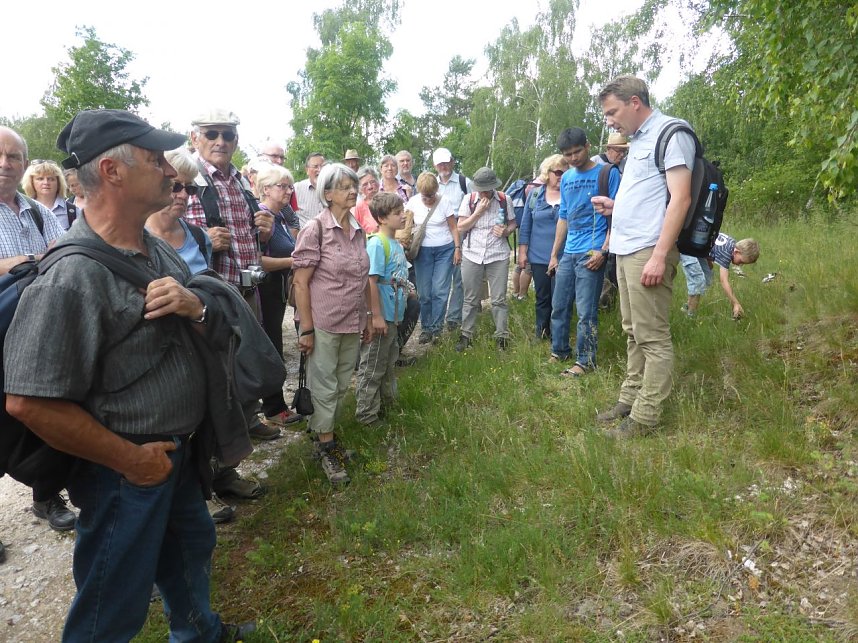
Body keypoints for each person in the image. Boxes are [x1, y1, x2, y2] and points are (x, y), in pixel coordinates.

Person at [4, 109, 254, 642]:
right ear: (113, 172)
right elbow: (30, 403)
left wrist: (196, 305)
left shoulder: (156, 248)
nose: (170, 171)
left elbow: (206, 316)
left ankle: (200, 634)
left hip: (175, 456)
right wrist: (132, 463)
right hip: (124, 471)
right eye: (155, 159)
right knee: (111, 602)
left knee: (190, 548)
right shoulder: (71, 277)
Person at [591, 75, 696, 437]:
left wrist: (660, 255)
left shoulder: (672, 132)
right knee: (632, 331)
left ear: (635, 102)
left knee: (652, 336)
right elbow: (651, 196)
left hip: (649, 249)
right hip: (626, 247)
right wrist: (615, 205)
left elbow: (680, 198)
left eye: (612, 111)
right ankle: (629, 399)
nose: (609, 121)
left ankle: (645, 417)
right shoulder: (638, 140)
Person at [183, 108, 279, 491]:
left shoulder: (240, 180)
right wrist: (203, 236)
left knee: (247, 365)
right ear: (196, 138)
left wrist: (266, 231)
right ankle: (216, 473)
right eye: (212, 134)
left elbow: (252, 239)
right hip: (210, 293)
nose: (220, 141)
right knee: (216, 382)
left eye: (228, 134)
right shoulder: (187, 177)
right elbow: (164, 231)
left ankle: (244, 426)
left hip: (246, 289)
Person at [0, 126, 76, 533]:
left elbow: (64, 253)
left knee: (45, 408)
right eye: (0, 155)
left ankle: (47, 495)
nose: (5, 164)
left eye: (14, 157)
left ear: (24, 165)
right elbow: (44, 258)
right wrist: (27, 259)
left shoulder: (37, 210)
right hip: (0, 328)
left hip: (37, 328)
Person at [291, 163, 374, 485]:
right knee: (324, 387)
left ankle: (323, 436)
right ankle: (327, 447)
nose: (352, 191)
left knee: (340, 385)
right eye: (344, 187)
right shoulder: (316, 229)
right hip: (323, 321)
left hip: (351, 320)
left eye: (353, 186)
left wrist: (367, 316)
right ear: (327, 194)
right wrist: (307, 328)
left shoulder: (356, 229)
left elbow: (362, 278)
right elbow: (301, 282)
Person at [547, 128, 620, 375]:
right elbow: (564, 217)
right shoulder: (566, 178)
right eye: (567, 154)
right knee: (559, 305)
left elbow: (618, 213)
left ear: (587, 146)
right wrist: (554, 254)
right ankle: (559, 351)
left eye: (577, 151)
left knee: (586, 309)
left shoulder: (607, 173)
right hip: (569, 251)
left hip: (593, 249)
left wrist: (604, 251)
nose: (573, 158)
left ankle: (585, 361)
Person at [253, 163, 306, 428]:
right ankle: (273, 408)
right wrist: (293, 262)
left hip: (275, 290)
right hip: (263, 290)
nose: (288, 191)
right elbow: (257, 261)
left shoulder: (280, 217)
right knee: (270, 348)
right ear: (265, 189)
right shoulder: (262, 217)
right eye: (282, 186)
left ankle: (272, 405)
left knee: (274, 345)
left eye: (289, 186)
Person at [355, 193, 409, 425]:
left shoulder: (396, 243)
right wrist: (375, 316)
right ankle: (366, 414)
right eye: (398, 213)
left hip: (394, 315)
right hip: (382, 316)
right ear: (383, 218)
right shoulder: (377, 243)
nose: (404, 216)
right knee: (373, 364)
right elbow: (371, 281)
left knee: (388, 362)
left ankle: (387, 405)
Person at [455, 167, 516, 351]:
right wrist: (478, 213)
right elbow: (460, 227)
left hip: (498, 254)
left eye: (487, 189)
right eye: (480, 189)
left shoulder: (505, 199)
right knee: (471, 298)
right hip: (472, 254)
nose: (483, 192)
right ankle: (466, 335)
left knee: (498, 299)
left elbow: (513, 223)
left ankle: (501, 337)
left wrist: (506, 231)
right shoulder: (469, 200)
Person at [404, 172, 461, 343]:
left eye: (431, 195)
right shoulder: (413, 203)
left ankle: (436, 329)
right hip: (422, 252)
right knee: (424, 293)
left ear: (436, 191)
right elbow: (406, 227)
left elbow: (453, 227)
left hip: (445, 250)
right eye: (425, 196)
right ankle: (426, 328)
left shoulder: (444, 202)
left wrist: (457, 248)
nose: (428, 199)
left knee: (440, 291)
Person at [518, 154, 568, 340]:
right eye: (558, 172)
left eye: (565, 172)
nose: (561, 176)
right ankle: (541, 333)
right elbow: (525, 225)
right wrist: (523, 252)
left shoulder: (569, 193)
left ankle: (558, 335)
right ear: (547, 173)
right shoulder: (535, 194)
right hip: (538, 256)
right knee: (542, 297)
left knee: (561, 298)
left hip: (564, 256)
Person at [433, 147, 472, 332]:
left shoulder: (465, 182)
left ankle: (454, 317)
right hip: (437, 233)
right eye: (440, 163)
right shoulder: (431, 184)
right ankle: (435, 320)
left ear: (452, 161)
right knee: (439, 280)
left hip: (460, 229)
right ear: (435, 165)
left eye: (446, 162)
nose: (444, 166)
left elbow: (476, 204)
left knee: (458, 277)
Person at [680, 235, 760, 318]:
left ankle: (687, 306)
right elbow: (724, 281)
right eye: (741, 261)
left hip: (698, 249)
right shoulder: (727, 253)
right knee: (698, 281)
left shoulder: (732, 244)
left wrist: (708, 261)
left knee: (708, 277)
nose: (740, 264)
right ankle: (690, 315)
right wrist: (735, 303)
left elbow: (711, 244)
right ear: (736, 252)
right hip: (688, 247)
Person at [21, 159, 77, 231]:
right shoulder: (23, 210)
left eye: (51, 179)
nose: (46, 182)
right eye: (40, 179)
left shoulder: (72, 211)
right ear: (31, 182)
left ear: (58, 182)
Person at [294, 152, 326, 227]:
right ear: (307, 170)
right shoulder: (296, 189)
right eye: (315, 166)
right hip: (305, 236)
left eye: (323, 166)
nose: (320, 170)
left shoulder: (334, 190)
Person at [353, 166, 381, 233]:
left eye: (372, 182)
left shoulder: (387, 201)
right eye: (365, 184)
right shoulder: (358, 208)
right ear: (360, 189)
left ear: (378, 182)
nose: (370, 187)